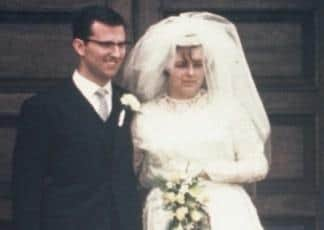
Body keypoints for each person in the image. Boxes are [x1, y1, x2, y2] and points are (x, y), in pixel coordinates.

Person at [120, 12, 271, 229]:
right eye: (181, 64)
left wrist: (208, 171)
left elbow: (258, 165)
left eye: (198, 64)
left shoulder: (228, 109)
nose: (191, 73)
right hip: (167, 215)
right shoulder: (146, 116)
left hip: (228, 214)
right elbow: (132, 173)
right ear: (165, 66)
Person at [12, 6, 140, 230]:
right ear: (80, 46)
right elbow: (26, 191)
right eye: (106, 44)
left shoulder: (129, 102)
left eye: (121, 44)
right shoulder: (43, 108)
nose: (117, 53)